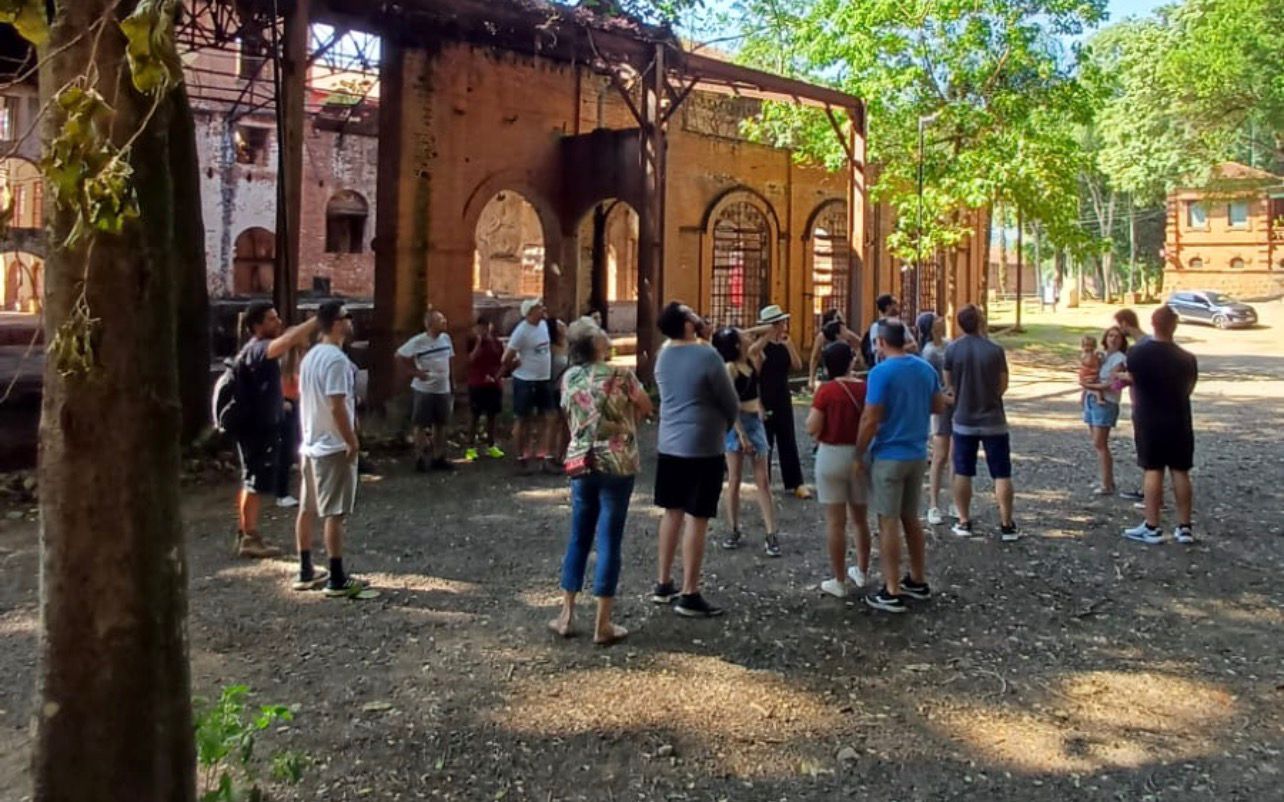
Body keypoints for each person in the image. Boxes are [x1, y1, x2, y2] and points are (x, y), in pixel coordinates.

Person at [549, 318, 653, 644]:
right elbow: (646, 406)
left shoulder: (568, 378)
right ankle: (602, 623)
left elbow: (569, 417)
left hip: (582, 461)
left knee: (579, 536)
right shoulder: (620, 375)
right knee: (609, 538)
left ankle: (566, 615)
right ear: (596, 345)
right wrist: (627, 423)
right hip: (618, 462)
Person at [652, 301, 740, 618]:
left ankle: (663, 582)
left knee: (671, 512)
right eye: (693, 314)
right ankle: (690, 591)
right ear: (687, 324)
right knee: (697, 517)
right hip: (703, 445)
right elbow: (729, 399)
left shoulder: (664, 355)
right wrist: (728, 423)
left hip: (669, 443)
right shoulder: (706, 354)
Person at [855, 321, 945, 613]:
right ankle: (918, 578)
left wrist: (858, 452)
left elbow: (870, 416)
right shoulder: (924, 368)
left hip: (889, 454)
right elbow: (938, 405)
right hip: (917, 452)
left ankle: (891, 588)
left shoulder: (880, 372)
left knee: (888, 520)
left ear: (881, 342)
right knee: (911, 518)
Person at [293, 301, 367, 597]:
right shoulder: (335, 359)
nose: (351, 322)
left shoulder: (311, 356)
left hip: (310, 444)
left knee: (307, 508)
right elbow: (337, 405)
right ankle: (336, 578)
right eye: (347, 317)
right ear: (336, 323)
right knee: (334, 513)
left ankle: (305, 569)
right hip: (333, 445)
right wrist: (352, 441)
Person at [232, 301, 318, 559]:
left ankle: (246, 532)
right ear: (256, 326)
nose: (277, 322)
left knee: (252, 480)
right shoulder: (258, 348)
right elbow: (286, 341)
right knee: (255, 482)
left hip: (258, 427)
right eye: (271, 319)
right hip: (256, 429)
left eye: (277, 317)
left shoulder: (256, 351)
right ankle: (250, 537)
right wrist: (314, 321)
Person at [1123, 306, 1197, 545]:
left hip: (1149, 418)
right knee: (1180, 471)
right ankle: (1184, 527)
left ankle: (1152, 526)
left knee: (1153, 470)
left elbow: (1132, 380)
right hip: (1179, 419)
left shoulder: (1137, 354)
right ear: (1174, 326)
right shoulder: (1187, 358)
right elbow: (1189, 389)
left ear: (1153, 324)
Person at [944, 304, 1018, 541]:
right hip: (994, 419)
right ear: (980, 322)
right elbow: (1003, 384)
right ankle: (1007, 524)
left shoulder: (952, 350)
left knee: (963, 471)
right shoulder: (995, 350)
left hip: (963, 419)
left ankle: (964, 521)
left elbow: (950, 384)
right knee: (1001, 472)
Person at [806, 341, 873, 598]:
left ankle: (839, 579)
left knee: (835, 522)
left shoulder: (826, 391)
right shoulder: (866, 389)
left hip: (831, 455)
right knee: (860, 519)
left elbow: (812, 426)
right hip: (860, 454)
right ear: (851, 361)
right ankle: (863, 570)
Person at [711, 326, 782, 557]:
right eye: (741, 336)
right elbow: (728, 404)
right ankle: (733, 528)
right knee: (734, 479)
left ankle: (771, 533)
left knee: (763, 480)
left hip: (754, 421)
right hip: (736, 424)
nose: (747, 335)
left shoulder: (751, 358)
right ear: (734, 345)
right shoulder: (729, 368)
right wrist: (741, 434)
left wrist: (768, 326)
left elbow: (767, 332)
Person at [756, 304, 812, 499]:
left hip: (783, 396)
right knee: (766, 441)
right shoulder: (760, 346)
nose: (784, 325)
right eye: (781, 322)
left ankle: (795, 482)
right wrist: (759, 403)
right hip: (765, 396)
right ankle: (765, 483)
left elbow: (797, 365)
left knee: (788, 438)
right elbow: (756, 374)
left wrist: (790, 346)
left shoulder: (786, 343)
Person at [397, 310, 455, 472]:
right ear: (430, 324)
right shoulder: (418, 341)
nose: (445, 322)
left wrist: (452, 382)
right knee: (421, 424)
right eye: (440, 320)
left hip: (443, 389)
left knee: (441, 424)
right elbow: (399, 356)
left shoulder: (446, 339)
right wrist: (415, 373)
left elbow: (450, 361)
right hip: (424, 389)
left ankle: (439, 457)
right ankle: (420, 458)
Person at [503, 298, 555, 472]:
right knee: (522, 419)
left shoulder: (543, 325)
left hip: (543, 378)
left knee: (548, 417)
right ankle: (521, 457)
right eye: (539, 307)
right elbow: (506, 357)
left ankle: (543, 455)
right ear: (531, 312)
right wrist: (513, 366)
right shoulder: (521, 332)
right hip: (526, 380)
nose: (543, 309)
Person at [1080, 327, 1129, 495]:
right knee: (1096, 442)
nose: (1113, 339)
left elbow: (1111, 383)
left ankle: (1107, 483)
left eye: (1117, 336)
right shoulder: (1099, 355)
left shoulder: (1120, 359)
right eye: (1111, 335)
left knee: (1100, 443)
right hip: (1091, 398)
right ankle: (1106, 481)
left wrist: (1090, 386)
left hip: (1107, 401)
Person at [917, 312, 954, 525]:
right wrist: (945, 398)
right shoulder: (929, 352)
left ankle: (955, 501)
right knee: (939, 457)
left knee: (954, 457)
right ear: (931, 327)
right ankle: (933, 504)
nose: (942, 319)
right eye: (937, 318)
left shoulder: (949, 345)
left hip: (953, 401)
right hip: (941, 406)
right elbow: (930, 384)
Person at [1113, 308, 1152, 502]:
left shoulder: (1141, 347)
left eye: (1120, 325)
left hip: (1144, 404)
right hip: (1144, 402)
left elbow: (1134, 376)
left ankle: (1150, 494)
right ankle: (1146, 489)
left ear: (1125, 323)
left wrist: (1118, 375)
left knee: (1147, 451)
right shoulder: (1147, 343)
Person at [464, 316, 505, 461]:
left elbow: (503, 362)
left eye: (487, 326)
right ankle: (470, 447)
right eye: (481, 327)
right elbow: (469, 360)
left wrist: (497, 376)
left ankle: (491, 445)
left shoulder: (497, 343)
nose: (484, 330)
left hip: (493, 383)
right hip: (476, 383)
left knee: (492, 416)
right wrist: (478, 344)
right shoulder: (472, 341)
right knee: (474, 416)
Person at [273, 345, 304, 508]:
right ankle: (281, 493)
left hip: (296, 405)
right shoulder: (281, 366)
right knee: (286, 450)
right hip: (286, 408)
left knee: (295, 448)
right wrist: (282, 401)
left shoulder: (296, 364)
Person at [807, 309, 861, 393]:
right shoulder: (822, 336)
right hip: (828, 374)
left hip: (845, 374)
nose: (843, 320)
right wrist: (811, 379)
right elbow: (814, 358)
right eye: (839, 318)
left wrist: (855, 361)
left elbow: (861, 344)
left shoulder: (845, 333)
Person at [547, 318, 571, 467]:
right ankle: (550, 455)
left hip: (568, 389)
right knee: (554, 423)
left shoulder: (569, 345)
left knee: (567, 424)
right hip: (556, 388)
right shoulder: (550, 348)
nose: (564, 325)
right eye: (560, 324)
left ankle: (562, 455)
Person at [1078, 335, 1105, 406]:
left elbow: (1098, 363)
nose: (1089, 348)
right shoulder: (1086, 355)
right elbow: (1090, 362)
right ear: (1082, 346)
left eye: (1091, 346)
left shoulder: (1091, 355)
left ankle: (1082, 400)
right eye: (1086, 345)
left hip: (1089, 375)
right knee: (1095, 389)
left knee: (1085, 389)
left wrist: (1099, 357)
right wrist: (1096, 357)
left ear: (1094, 347)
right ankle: (1099, 399)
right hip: (1088, 375)